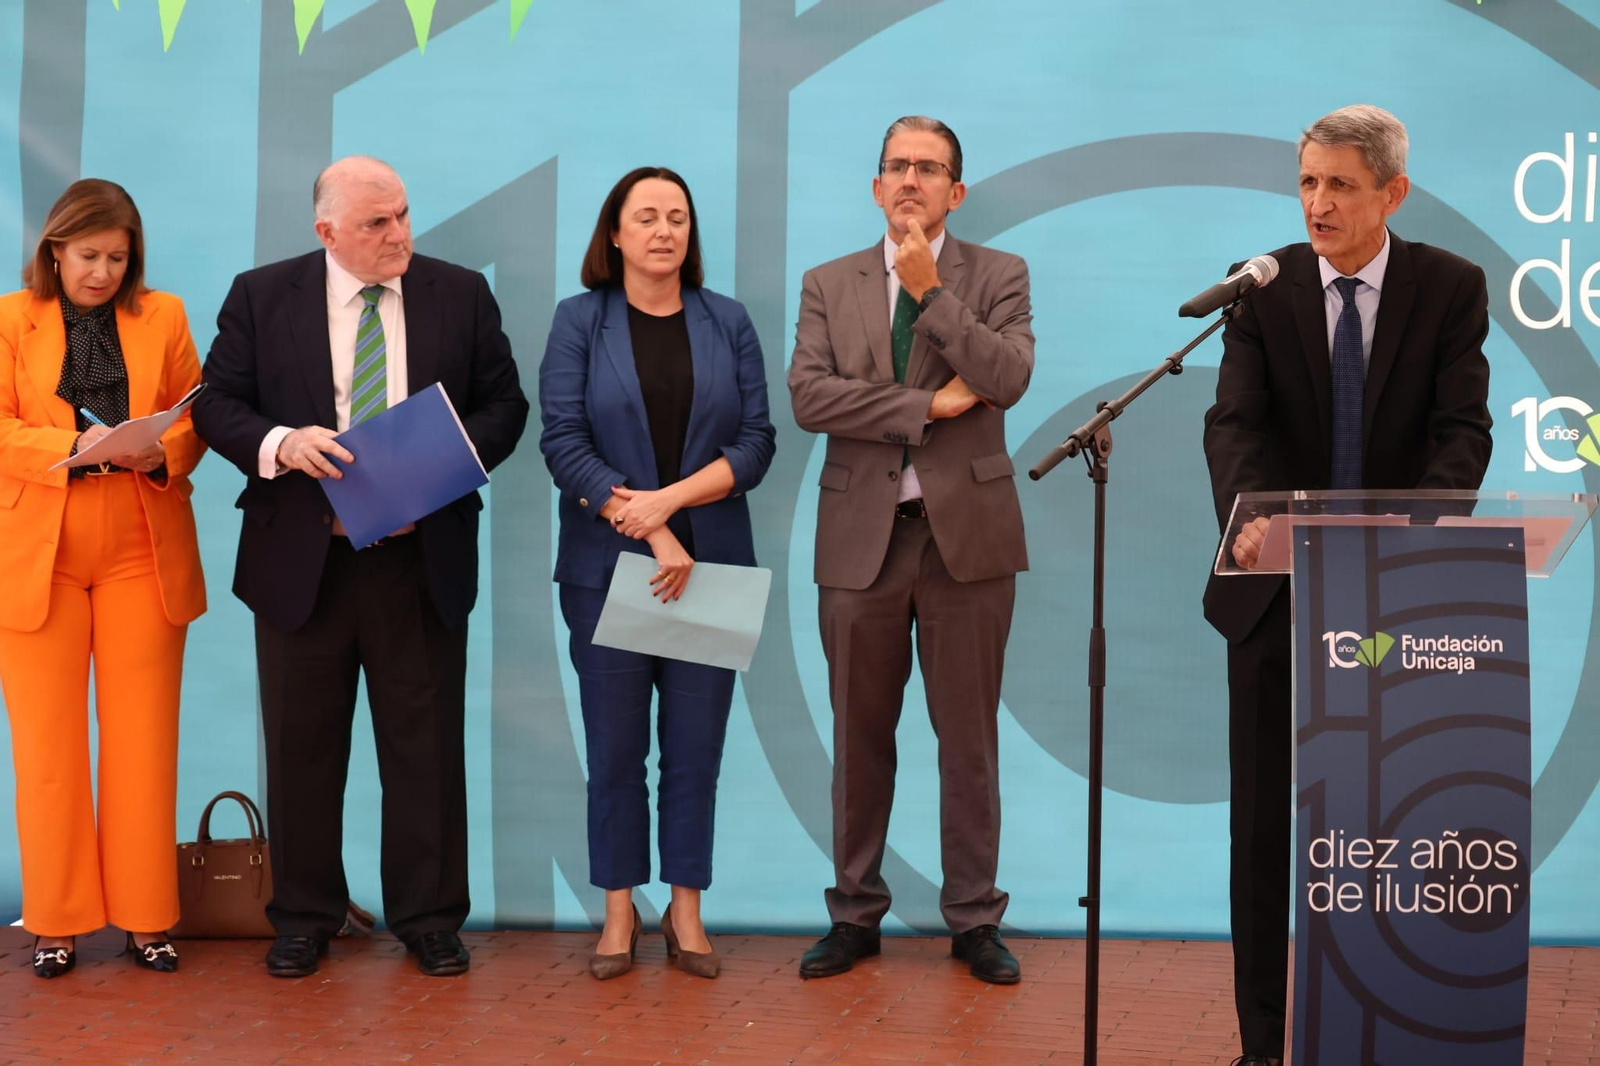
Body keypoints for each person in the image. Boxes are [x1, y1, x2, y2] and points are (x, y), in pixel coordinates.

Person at [1202, 105, 1492, 1066]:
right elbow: (1232, 425)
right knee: (1261, 828)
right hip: (1276, 595)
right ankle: (1261, 1043)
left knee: (1384, 821)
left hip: (1394, 599)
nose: (1318, 204)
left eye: (1340, 185)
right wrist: (1252, 520)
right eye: (1308, 183)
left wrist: (1409, 541)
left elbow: (1463, 434)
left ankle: (1380, 1024)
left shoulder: (1449, 287)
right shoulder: (1265, 288)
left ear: (1392, 194)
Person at [192, 156, 529, 979]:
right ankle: (305, 916)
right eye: (377, 224)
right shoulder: (262, 295)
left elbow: (505, 406)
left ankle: (430, 918)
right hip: (305, 563)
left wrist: (439, 468)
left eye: (405, 215)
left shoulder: (459, 293)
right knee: (304, 747)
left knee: (425, 749)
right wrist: (282, 444)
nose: (399, 236)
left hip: (419, 559)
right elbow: (215, 405)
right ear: (327, 232)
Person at [787, 116, 1034, 985]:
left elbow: (1005, 377)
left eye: (929, 169)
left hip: (967, 544)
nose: (910, 181)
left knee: (968, 743)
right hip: (862, 545)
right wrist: (926, 409)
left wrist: (933, 293)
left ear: (955, 192)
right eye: (896, 166)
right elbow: (810, 397)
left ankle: (973, 920)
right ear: (875, 185)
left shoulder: (998, 275)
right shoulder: (828, 282)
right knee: (860, 737)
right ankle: (854, 914)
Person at [539, 166, 776, 980]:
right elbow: (561, 440)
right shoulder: (580, 321)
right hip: (607, 567)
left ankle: (686, 911)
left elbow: (755, 444)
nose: (663, 230)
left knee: (695, 752)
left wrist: (669, 510)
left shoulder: (728, 321)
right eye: (646, 217)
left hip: (711, 564)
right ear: (615, 234)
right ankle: (617, 911)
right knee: (614, 751)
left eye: (677, 216)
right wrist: (643, 527)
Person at [0, 179, 207, 977]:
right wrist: (66, 454)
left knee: (143, 742)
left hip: (138, 542)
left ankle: (148, 920)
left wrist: (163, 448)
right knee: (48, 748)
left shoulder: (166, 314)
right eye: (88, 256)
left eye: (118, 258)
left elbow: (196, 414)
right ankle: (55, 925)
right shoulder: (12, 319)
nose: (102, 273)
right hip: (40, 549)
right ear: (55, 250)